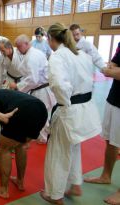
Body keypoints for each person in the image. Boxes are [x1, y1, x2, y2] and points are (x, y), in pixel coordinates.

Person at [40, 23, 102, 205]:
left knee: (58, 153)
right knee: (74, 148)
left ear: (51, 39)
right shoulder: (81, 54)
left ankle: (55, 195)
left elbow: (59, 85)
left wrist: (64, 103)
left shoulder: (57, 56)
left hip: (69, 109)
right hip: (86, 108)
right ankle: (75, 184)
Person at [0, 89, 47, 198]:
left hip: (21, 110)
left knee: (4, 149)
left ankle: (3, 190)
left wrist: (1, 116)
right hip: (40, 110)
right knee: (20, 145)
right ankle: (20, 182)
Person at [83, 43, 120, 205]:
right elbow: (113, 65)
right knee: (110, 141)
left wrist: (109, 71)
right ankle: (105, 176)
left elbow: (113, 70)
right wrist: (112, 70)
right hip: (114, 98)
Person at [12, 35, 56, 144]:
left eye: (19, 46)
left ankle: (44, 138)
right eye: (16, 47)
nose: (17, 49)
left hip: (42, 89)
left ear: (26, 44)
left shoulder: (32, 56)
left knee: (43, 114)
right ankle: (44, 136)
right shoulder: (32, 53)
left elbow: (33, 79)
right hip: (40, 88)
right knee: (43, 113)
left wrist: (18, 86)